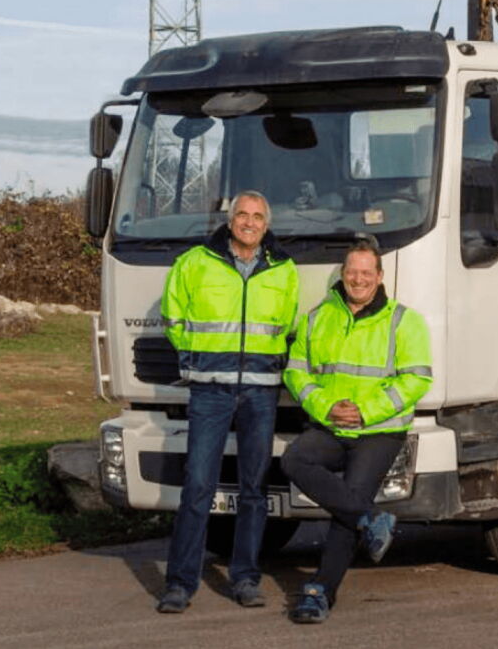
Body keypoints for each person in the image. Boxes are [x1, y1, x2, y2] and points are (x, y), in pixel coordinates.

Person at [156, 190, 299, 613]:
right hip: (210, 389)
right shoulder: (195, 262)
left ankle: (246, 578)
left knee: (254, 489)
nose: (249, 222)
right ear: (230, 219)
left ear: (266, 224)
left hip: (260, 391)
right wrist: (196, 356)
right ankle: (180, 584)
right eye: (242, 215)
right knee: (198, 486)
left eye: (257, 216)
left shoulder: (284, 269)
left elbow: (289, 325)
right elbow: (173, 316)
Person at [281, 239, 432, 624]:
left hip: (379, 430)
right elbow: (295, 371)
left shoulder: (404, 320)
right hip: (331, 425)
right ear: (343, 275)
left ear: (379, 277)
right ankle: (369, 518)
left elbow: (417, 379)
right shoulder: (317, 317)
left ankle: (320, 592)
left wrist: (365, 412)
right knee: (294, 459)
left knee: (350, 497)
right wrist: (326, 407)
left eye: (367, 273)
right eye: (352, 272)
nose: (358, 279)